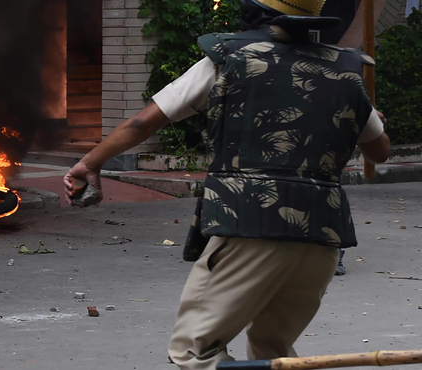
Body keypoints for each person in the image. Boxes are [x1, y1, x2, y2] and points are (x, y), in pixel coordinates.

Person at [63, 0, 391, 369]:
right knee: (274, 349)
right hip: (323, 235)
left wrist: (90, 163)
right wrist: (370, 114)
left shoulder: (229, 57)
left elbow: (143, 123)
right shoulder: (345, 68)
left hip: (252, 222)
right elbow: (378, 151)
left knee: (194, 353)